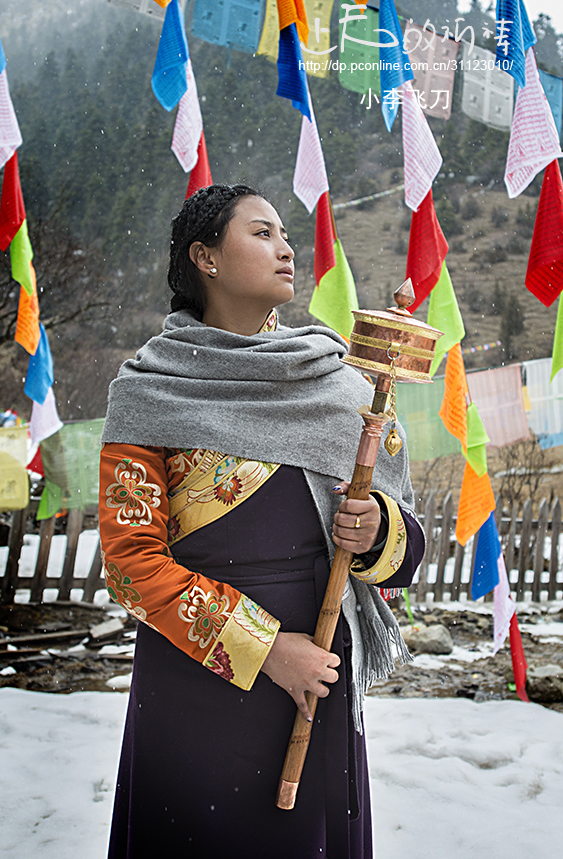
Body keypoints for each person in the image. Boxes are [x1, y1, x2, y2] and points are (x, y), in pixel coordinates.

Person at [98, 183, 425, 858]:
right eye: (262, 232)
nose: (285, 247)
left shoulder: (336, 385)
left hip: (316, 675)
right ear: (205, 257)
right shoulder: (146, 391)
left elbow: (407, 547)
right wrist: (268, 649)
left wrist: (376, 534)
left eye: (285, 234)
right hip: (199, 679)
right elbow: (131, 567)